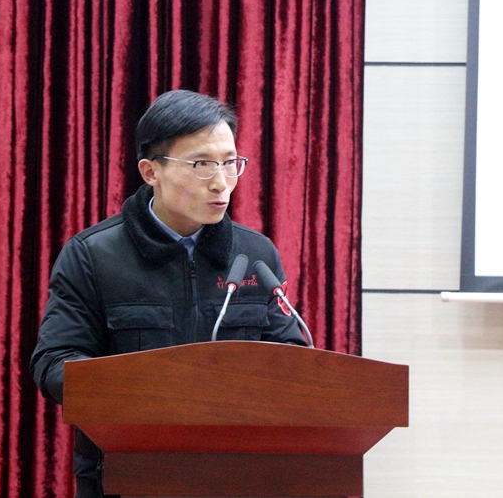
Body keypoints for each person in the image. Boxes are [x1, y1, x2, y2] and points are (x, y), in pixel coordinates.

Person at [30, 89, 307, 498]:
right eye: (201, 165)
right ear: (150, 172)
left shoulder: (255, 254)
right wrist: (151, 390)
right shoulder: (93, 255)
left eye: (230, 163)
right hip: (127, 474)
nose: (221, 182)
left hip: (239, 473)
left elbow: (290, 356)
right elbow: (54, 363)